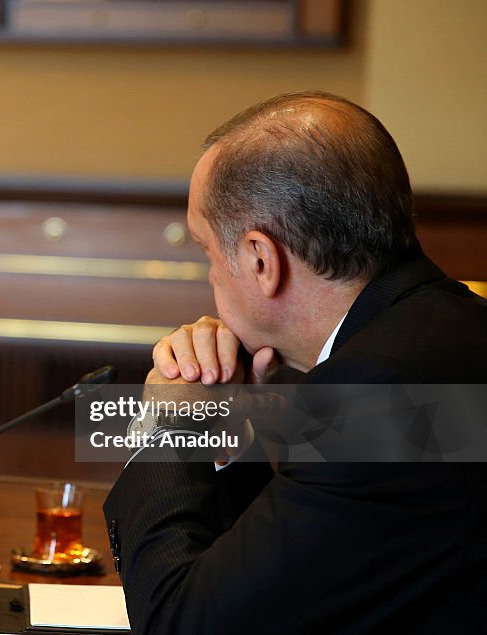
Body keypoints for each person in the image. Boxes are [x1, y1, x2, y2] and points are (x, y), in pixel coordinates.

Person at [103, 92, 487, 633]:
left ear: (262, 260)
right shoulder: (445, 332)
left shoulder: (377, 391)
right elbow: (283, 582)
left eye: (206, 252)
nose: (209, 278)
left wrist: (168, 425)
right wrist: (232, 434)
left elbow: (183, 624)